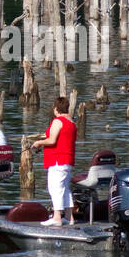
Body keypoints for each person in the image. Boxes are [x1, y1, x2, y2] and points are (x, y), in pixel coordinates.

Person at [30, 96, 76, 226]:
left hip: (57, 160)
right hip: (67, 160)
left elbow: (52, 140)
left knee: (54, 188)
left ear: (56, 108)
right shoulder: (71, 122)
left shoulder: (58, 121)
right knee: (65, 189)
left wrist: (39, 142)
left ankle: (57, 217)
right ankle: (69, 217)